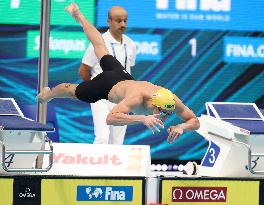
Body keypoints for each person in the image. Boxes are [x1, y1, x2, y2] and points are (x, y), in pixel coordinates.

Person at [37, 2, 200, 144]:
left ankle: (78, 15)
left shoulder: (170, 99)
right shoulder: (137, 98)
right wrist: (142, 118)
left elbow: (194, 120)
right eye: (160, 112)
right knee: (69, 89)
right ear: (152, 103)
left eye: (166, 114)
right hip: (106, 87)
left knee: (101, 47)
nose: (162, 116)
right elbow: (110, 118)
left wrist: (181, 127)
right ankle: (48, 94)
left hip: (123, 76)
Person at [79, 6, 136, 144]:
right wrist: (96, 88)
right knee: (102, 138)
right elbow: (83, 70)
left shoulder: (131, 44)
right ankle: (96, 166)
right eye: (118, 21)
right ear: (109, 21)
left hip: (121, 99)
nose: (123, 24)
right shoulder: (99, 41)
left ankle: (113, 166)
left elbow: (128, 71)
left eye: (125, 21)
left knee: (117, 141)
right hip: (101, 98)